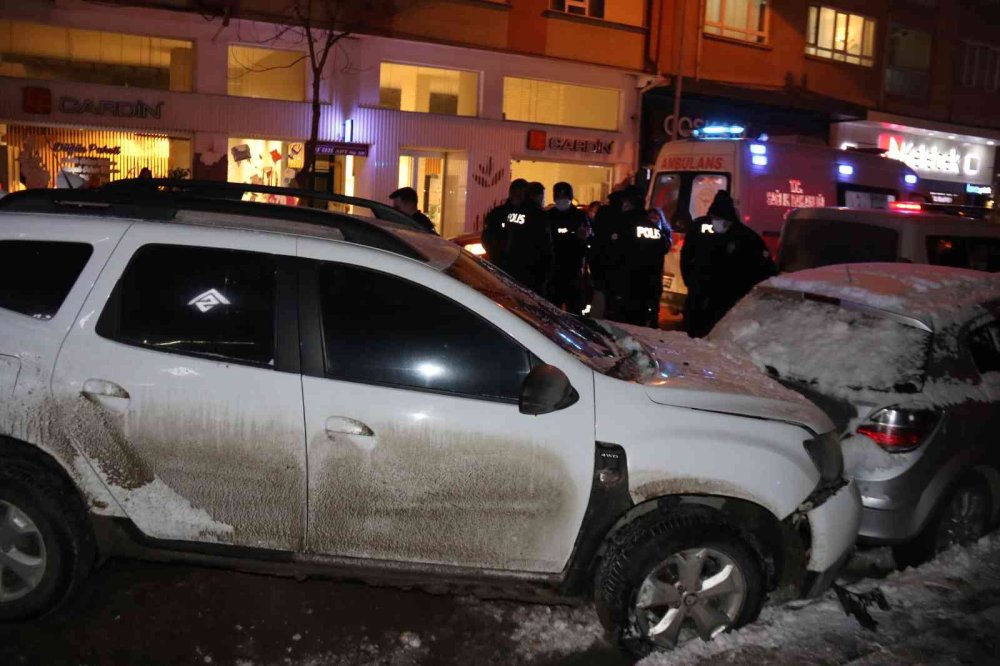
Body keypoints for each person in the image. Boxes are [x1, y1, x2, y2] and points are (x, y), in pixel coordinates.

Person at [681, 190, 775, 338]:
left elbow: (763, 268)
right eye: (714, 217)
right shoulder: (700, 227)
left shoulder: (745, 237)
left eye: (720, 218)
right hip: (700, 296)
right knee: (694, 333)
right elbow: (686, 257)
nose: (716, 222)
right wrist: (691, 283)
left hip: (725, 299)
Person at [547, 182, 590, 313]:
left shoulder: (579, 216)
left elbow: (585, 240)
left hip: (573, 269)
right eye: (558, 197)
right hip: (552, 270)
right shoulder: (549, 215)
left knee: (575, 311)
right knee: (552, 310)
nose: (561, 200)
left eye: (564, 197)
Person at [503, 181, 553, 295]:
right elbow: (545, 245)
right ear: (539, 196)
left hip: (512, 265)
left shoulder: (513, 212)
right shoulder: (538, 215)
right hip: (532, 269)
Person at [482, 179, 527, 266]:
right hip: (502, 262)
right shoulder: (498, 213)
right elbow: (487, 237)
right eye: (516, 193)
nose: (517, 196)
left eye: (519, 194)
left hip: (517, 264)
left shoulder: (530, 214)